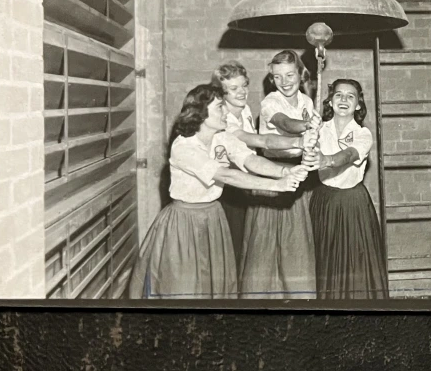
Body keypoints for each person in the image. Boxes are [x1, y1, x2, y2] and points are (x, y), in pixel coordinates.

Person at [126, 84, 307, 300]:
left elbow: (250, 160)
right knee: (184, 288)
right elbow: (226, 176)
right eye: (220, 107)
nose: (226, 112)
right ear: (200, 113)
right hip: (184, 223)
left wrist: (286, 171)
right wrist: (277, 185)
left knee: (216, 287)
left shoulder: (222, 137)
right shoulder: (184, 147)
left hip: (213, 218)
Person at [238, 50, 319, 300]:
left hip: (298, 177)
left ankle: (298, 301)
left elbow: (308, 142)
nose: (284, 82)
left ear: (301, 74)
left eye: (289, 75)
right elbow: (285, 123)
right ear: (271, 79)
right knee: (264, 248)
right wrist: (305, 127)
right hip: (271, 179)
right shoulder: (270, 102)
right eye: (277, 77)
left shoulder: (307, 102)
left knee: (296, 247)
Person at [209, 61, 304, 267]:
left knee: (246, 246)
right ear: (221, 92)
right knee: (230, 249)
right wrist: (299, 141)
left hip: (246, 184)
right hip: (227, 189)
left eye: (244, 85)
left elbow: (251, 156)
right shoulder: (224, 122)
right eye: (234, 89)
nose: (242, 92)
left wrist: (284, 170)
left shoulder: (243, 110)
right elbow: (262, 141)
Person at [306, 78, 389, 300]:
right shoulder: (319, 130)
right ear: (330, 102)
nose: (344, 100)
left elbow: (349, 155)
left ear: (358, 105)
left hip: (353, 204)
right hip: (324, 201)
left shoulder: (363, 134)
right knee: (325, 259)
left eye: (350, 96)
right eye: (338, 95)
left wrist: (327, 160)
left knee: (356, 262)